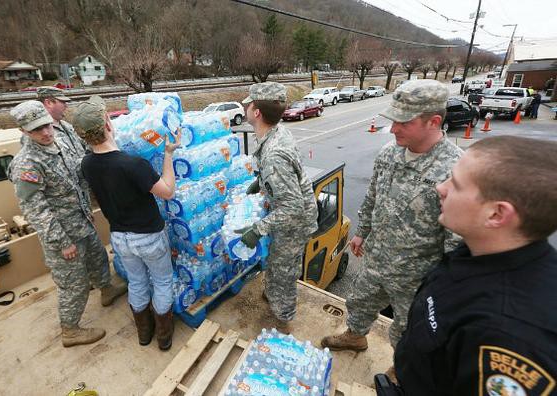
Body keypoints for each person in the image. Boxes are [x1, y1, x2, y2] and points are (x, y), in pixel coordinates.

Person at [394, 136, 557, 395]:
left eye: (456, 185)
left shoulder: (508, 337)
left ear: (496, 214)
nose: (440, 188)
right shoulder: (479, 250)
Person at [321, 80, 462, 376]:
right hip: (378, 257)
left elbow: (457, 240)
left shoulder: (456, 170)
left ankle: (402, 368)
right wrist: (362, 231)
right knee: (359, 301)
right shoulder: (389, 153)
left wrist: (445, 286)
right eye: (393, 120)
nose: (394, 128)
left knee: (408, 326)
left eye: (403, 122)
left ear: (433, 122)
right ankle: (356, 336)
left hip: (416, 274)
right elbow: (373, 195)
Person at [7, 101, 126, 348]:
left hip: (82, 222)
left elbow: (78, 175)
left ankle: (106, 290)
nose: (46, 132)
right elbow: (35, 210)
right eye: (37, 129)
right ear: (24, 131)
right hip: (63, 235)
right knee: (74, 285)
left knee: (98, 258)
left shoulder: (59, 144)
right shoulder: (27, 164)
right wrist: (62, 243)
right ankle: (70, 330)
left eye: (47, 126)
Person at [72, 96, 180, 350]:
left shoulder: (87, 164)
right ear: (108, 124)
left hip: (120, 237)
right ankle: (163, 337)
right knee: (162, 281)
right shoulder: (132, 164)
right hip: (149, 236)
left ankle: (144, 333)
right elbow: (167, 191)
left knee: (137, 282)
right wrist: (168, 154)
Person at [239, 82, 318, 334]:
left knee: (284, 271)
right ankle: (273, 295)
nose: (245, 106)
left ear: (257, 113)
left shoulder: (274, 155)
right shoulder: (276, 132)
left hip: (294, 221)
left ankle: (282, 321)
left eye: (248, 103)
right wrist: (260, 181)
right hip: (290, 211)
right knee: (276, 261)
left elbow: (292, 207)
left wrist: (258, 229)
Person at [37, 86, 88, 159]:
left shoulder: (66, 125)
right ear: (49, 103)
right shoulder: (39, 133)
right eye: (63, 102)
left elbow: (85, 144)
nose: (66, 106)